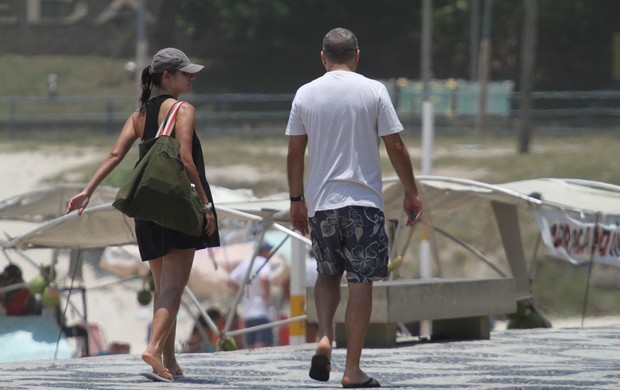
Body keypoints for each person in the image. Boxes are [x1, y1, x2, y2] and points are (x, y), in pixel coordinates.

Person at [66, 47, 220, 382]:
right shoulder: (183, 109)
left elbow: (115, 153)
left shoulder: (139, 114)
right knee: (174, 288)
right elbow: (186, 160)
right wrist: (206, 204)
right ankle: (152, 348)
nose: (191, 77)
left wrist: (87, 190)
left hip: (147, 208)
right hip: (177, 207)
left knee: (163, 284)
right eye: (185, 73)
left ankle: (170, 360)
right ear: (168, 77)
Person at [286, 28, 423, 388]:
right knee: (361, 283)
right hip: (363, 204)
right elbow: (396, 146)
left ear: (323, 57)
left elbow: (294, 153)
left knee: (327, 273)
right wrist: (411, 191)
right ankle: (352, 370)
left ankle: (325, 336)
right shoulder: (373, 90)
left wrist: (296, 199)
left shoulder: (305, 94)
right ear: (357, 55)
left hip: (321, 205)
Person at [228, 243, 274, 349]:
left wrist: (241, 291)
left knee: (250, 344)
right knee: (262, 343)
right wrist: (267, 297)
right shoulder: (263, 262)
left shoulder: (246, 263)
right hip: (261, 309)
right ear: (265, 251)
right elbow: (264, 278)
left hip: (248, 309)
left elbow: (230, 280)